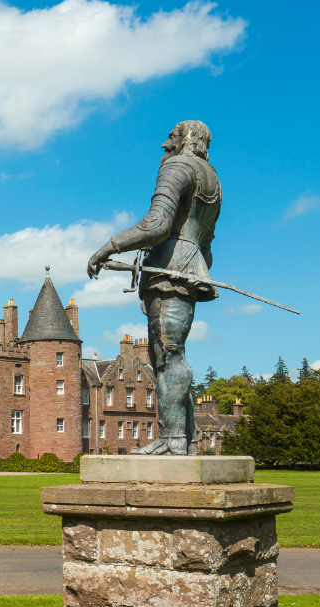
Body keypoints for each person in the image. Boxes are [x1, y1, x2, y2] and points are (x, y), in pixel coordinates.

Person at [87, 120, 219, 456]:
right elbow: (207, 245)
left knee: (167, 356)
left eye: (172, 137)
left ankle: (172, 440)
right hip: (188, 272)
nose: (165, 144)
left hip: (169, 272)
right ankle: (187, 440)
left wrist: (109, 246)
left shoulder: (177, 166)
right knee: (173, 355)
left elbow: (157, 223)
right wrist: (197, 273)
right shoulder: (213, 180)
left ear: (187, 139)